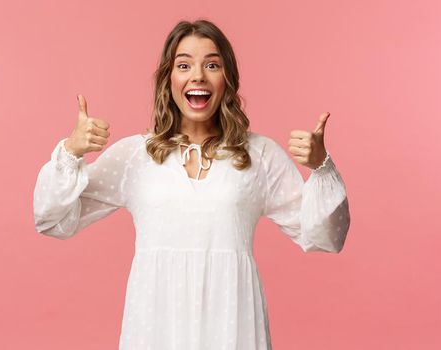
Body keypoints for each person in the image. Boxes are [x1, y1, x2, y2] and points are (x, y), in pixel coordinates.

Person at [33, 19, 350, 350]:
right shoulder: (135, 156)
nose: (197, 75)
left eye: (211, 64)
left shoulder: (260, 155)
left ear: (227, 79)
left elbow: (325, 237)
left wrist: (321, 166)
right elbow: (53, 220)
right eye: (184, 65)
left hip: (231, 323)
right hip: (156, 324)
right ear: (168, 79)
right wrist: (71, 152)